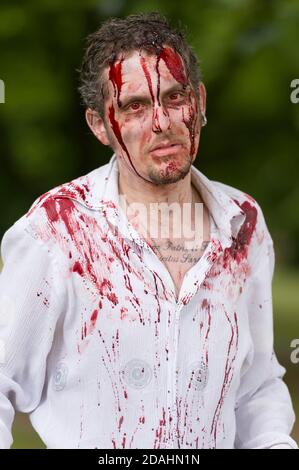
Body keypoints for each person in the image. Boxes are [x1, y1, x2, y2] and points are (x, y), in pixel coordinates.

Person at [0, 12, 297, 450]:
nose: (162, 122)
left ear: (199, 100)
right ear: (99, 125)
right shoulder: (57, 228)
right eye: (134, 106)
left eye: (175, 97)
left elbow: (255, 387)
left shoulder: (244, 225)